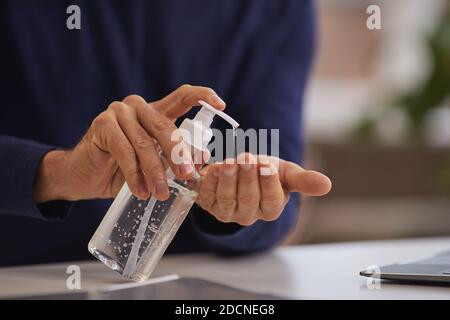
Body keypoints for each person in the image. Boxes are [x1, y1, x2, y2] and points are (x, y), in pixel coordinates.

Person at [0, 0, 331, 267]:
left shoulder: (276, 8)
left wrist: (239, 200)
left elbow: (277, 191)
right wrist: (56, 173)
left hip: (185, 285)